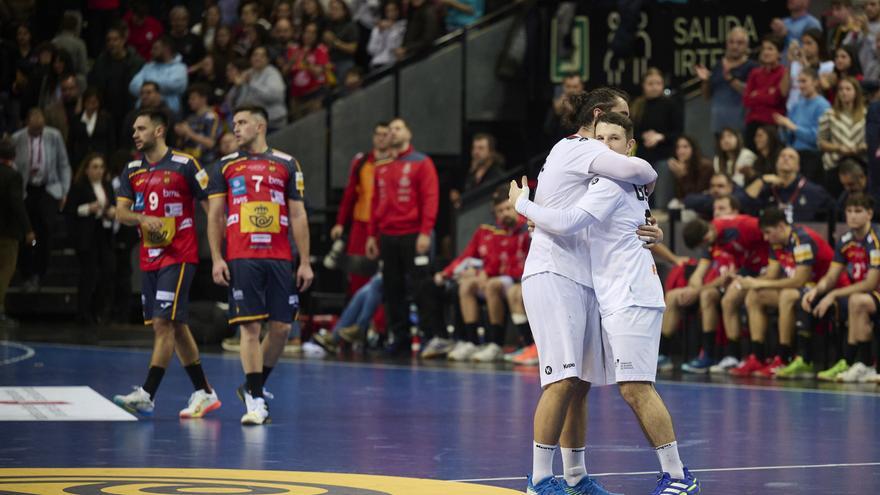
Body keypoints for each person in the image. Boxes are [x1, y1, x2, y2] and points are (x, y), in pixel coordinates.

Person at [510, 111, 699, 494]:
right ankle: (579, 477)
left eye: (615, 139)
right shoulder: (610, 181)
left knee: (634, 388)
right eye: (601, 138)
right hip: (610, 295)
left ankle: (678, 477)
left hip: (629, 295)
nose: (606, 145)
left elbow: (569, 220)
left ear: (628, 146)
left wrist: (524, 205)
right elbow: (574, 214)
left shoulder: (612, 183)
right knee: (583, 384)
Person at [207, 105, 314, 425]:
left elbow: (298, 214)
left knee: (281, 329)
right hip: (242, 256)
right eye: (234, 123)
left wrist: (305, 262)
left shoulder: (286, 163)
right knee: (250, 328)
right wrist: (216, 257)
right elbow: (215, 215)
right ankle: (254, 401)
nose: (235, 129)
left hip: (280, 257)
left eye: (242, 123)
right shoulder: (224, 166)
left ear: (260, 126)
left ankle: (253, 387)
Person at [112, 109, 220, 419]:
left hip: (180, 254)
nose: (135, 133)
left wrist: (218, 250)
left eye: (141, 128)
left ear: (159, 131)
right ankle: (204, 392)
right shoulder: (132, 170)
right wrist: (143, 217)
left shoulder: (186, 165)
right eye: (134, 128)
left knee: (163, 323)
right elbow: (121, 213)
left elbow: (211, 205)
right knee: (175, 324)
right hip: (150, 256)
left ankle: (146, 394)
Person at [730, 207, 835, 378]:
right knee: (755, 296)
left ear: (780, 226)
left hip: (822, 288)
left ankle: (783, 357)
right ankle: (757, 356)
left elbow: (800, 280)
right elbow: (771, 274)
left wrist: (757, 282)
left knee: (785, 295)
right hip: (800, 289)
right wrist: (748, 281)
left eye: (768, 232)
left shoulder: (802, 239)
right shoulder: (776, 243)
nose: (765, 238)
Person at [364, 118, 439, 355]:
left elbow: (430, 198)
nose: (393, 133)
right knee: (392, 288)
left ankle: (430, 337)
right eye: (390, 130)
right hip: (387, 235)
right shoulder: (381, 165)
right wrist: (371, 236)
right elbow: (375, 202)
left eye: (398, 128)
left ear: (409, 133)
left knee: (421, 287)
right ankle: (401, 338)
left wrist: (425, 232)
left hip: (413, 234)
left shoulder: (421, 162)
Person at [795, 193, 879, 381]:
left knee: (857, 301)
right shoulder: (845, 240)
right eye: (849, 211)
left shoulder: (876, 240)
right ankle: (849, 363)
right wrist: (817, 290)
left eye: (858, 211)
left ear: (869, 214)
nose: (852, 215)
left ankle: (863, 364)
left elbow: (871, 283)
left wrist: (833, 294)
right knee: (813, 297)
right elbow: (832, 275)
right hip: (863, 294)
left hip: (874, 292)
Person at [676, 209, 769, 374]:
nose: (706, 249)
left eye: (704, 246)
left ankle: (753, 357)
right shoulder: (711, 237)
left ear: (706, 237)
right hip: (746, 269)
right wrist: (695, 289)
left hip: (767, 268)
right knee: (709, 295)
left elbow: (771, 232)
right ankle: (717, 356)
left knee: (729, 299)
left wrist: (773, 266)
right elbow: (700, 273)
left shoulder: (742, 226)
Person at [11, 107, 71, 293]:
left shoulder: (53, 136)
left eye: (41, 128)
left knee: (44, 231)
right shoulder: (17, 138)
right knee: (26, 232)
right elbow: (12, 166)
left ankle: (39, 272)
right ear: (27, 123)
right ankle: (26, 272)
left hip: (47, 189)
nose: (38, 131)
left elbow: (63, 163)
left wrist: (64, 191)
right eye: (35, 129)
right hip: (25, 190)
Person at [331, 122, 392, 294]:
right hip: (361, 224)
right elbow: (349, 195)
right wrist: (340, 223)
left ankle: (378, 319)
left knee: (384, 271)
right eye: (378, 134)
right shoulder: (362, 162)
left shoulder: (396, 163)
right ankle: (358, 317)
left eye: (385, 134)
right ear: (373, 137)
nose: (381, 138)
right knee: (357, 271)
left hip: (385, 226)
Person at [65, 153, 116, 326]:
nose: (99, 171)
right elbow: (70, 210)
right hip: (87, 236)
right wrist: (88, 208)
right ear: (86, 170)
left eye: (101, 167)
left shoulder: (107, 186)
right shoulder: (79, 187)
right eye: (95, 167)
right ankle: (83, 313)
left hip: (104, 234)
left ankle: (99, 311)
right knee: (89, 274)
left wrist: (112, 212)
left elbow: (114, 206)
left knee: (107, 272)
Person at [744, 147, 835, 222]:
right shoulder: (767, 189)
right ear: (776, 163)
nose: (786, 158)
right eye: (782, 156)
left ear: (798, 167)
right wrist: (762, 180)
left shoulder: (813, 191)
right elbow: (744, 204)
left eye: (791, 157)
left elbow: (833, 213)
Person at [694, 27, 757, 134]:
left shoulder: (752, 67)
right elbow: (706, 96)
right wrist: (705, 81)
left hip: (741, 127)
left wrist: (730, 79)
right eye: (731, 42)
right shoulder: (718, 66)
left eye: (739, 43)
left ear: (746, 46)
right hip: (718, 126)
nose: (735, 46)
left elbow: (751, 93)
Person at [774, 68, 831, 180]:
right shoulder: (797, 105)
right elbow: (786, 138)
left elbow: (817, 138)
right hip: (794, 154)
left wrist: (791, 126)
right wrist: (783, 127)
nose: (801, 86)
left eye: (804, 81)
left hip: (812, 156)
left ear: (815, 82)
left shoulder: (823, 105)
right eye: (799, 82)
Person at [0, 138, 33, 327]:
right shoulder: (12, 176)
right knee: (5, 271)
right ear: (13, 156)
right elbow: (17, 204)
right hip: (7, 234)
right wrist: (28, 229)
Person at [88, 23, 145, 127]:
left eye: (115, 39)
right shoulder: (101, 62)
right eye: (109, 40)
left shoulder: (136, 62)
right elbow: (94, 85)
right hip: (106, 112)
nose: (111, 43)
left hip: (130, 112)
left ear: (123, 40)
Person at [818, 77, 867, 190]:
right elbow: (821, 143)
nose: (844, 92)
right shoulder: (829, 114)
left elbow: (873, 141)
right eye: (840, 89)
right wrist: (839, 148)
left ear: (856, 92)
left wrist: (861, 147)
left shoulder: (867, 114)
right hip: (834, 165)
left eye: (848, 89)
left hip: (860, 163)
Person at [743, 35, 789, 149]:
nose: (765, 52)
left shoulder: (784, 73)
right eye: (763, 49)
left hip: (772, 124)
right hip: (752, 123)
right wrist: (767, 93)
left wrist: (757, 94)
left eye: (770, 49)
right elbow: (747, 100)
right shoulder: (755, 73)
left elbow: (776, 99)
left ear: (779, 54)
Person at [631, 68, 683, 167]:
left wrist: (660, 137)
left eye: (658, 83)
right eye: (650, 84)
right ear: (643, 85)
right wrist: (644, 136)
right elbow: (631, 130)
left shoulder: (671, 105)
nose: (654, 87)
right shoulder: (636, 105)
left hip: (665, 156)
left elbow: (678, 131)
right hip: (642, 156)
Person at [128, 37, 188, 116]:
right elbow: (133, 86)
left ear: (167, 49)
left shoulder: (179, 67)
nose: (151, 51)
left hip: (169, 112)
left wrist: (147, 84)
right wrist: (158, 88)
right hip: (143, 110)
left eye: (155, 48)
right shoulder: (148, 66)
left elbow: (176, 85)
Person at [449, 133, 504, 209]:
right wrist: (459, 199)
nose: (476, 152)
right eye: (474, 148)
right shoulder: (471, 173)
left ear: (491, 152)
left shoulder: (497, 175)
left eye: (481, 148)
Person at [175, 83, 222, 163]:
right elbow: (181, 144)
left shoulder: (212, 117)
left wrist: (189, 133)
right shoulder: (190, 118)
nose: (190, 102)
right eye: (189, 99)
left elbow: (211, 143)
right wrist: (180, 134)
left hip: (206, 162)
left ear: (203, 99)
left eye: (193, 99)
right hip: (188, 161)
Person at [366, 1, 406, 70]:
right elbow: (371, 50)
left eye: (394, 10)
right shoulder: (378, 28)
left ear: (399, 10)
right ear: (385, 13)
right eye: (388, 11)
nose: (392, 13)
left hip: (393, 63)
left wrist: (392, 29)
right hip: (377, 63)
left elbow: (394, 47)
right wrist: (380, 32)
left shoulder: (403, 25)